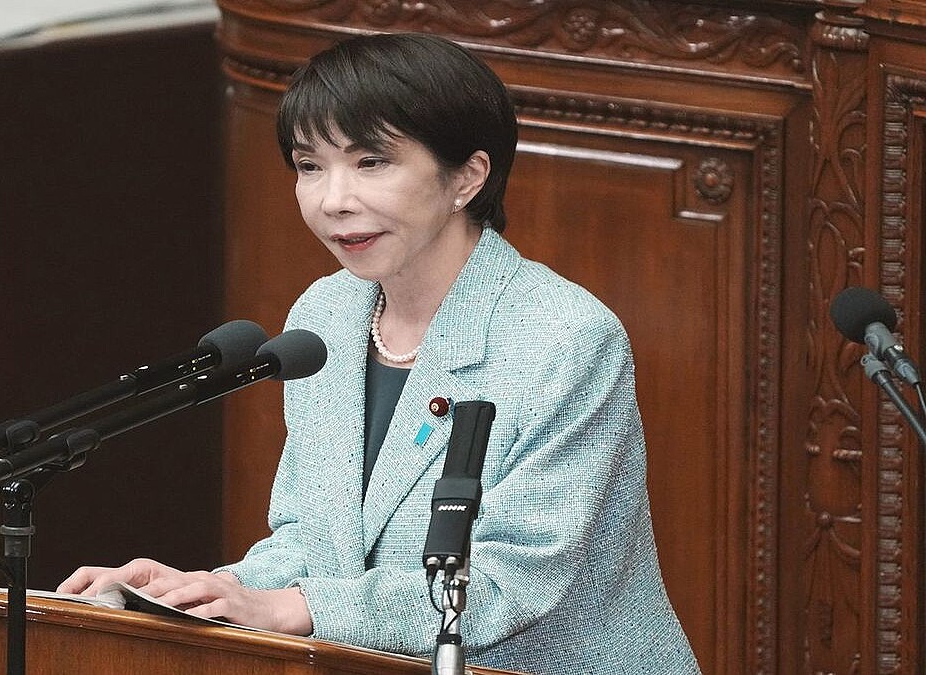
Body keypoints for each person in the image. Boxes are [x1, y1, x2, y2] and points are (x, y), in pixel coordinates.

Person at [59, 32, 700, 673]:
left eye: (371, 162)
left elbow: (507, 584)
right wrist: (196, 594)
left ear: (467, 177)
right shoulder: (326, 315)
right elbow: (313, 540)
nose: (333, 200)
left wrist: (295, 607)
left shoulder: (565, 338)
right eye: (310, 166)